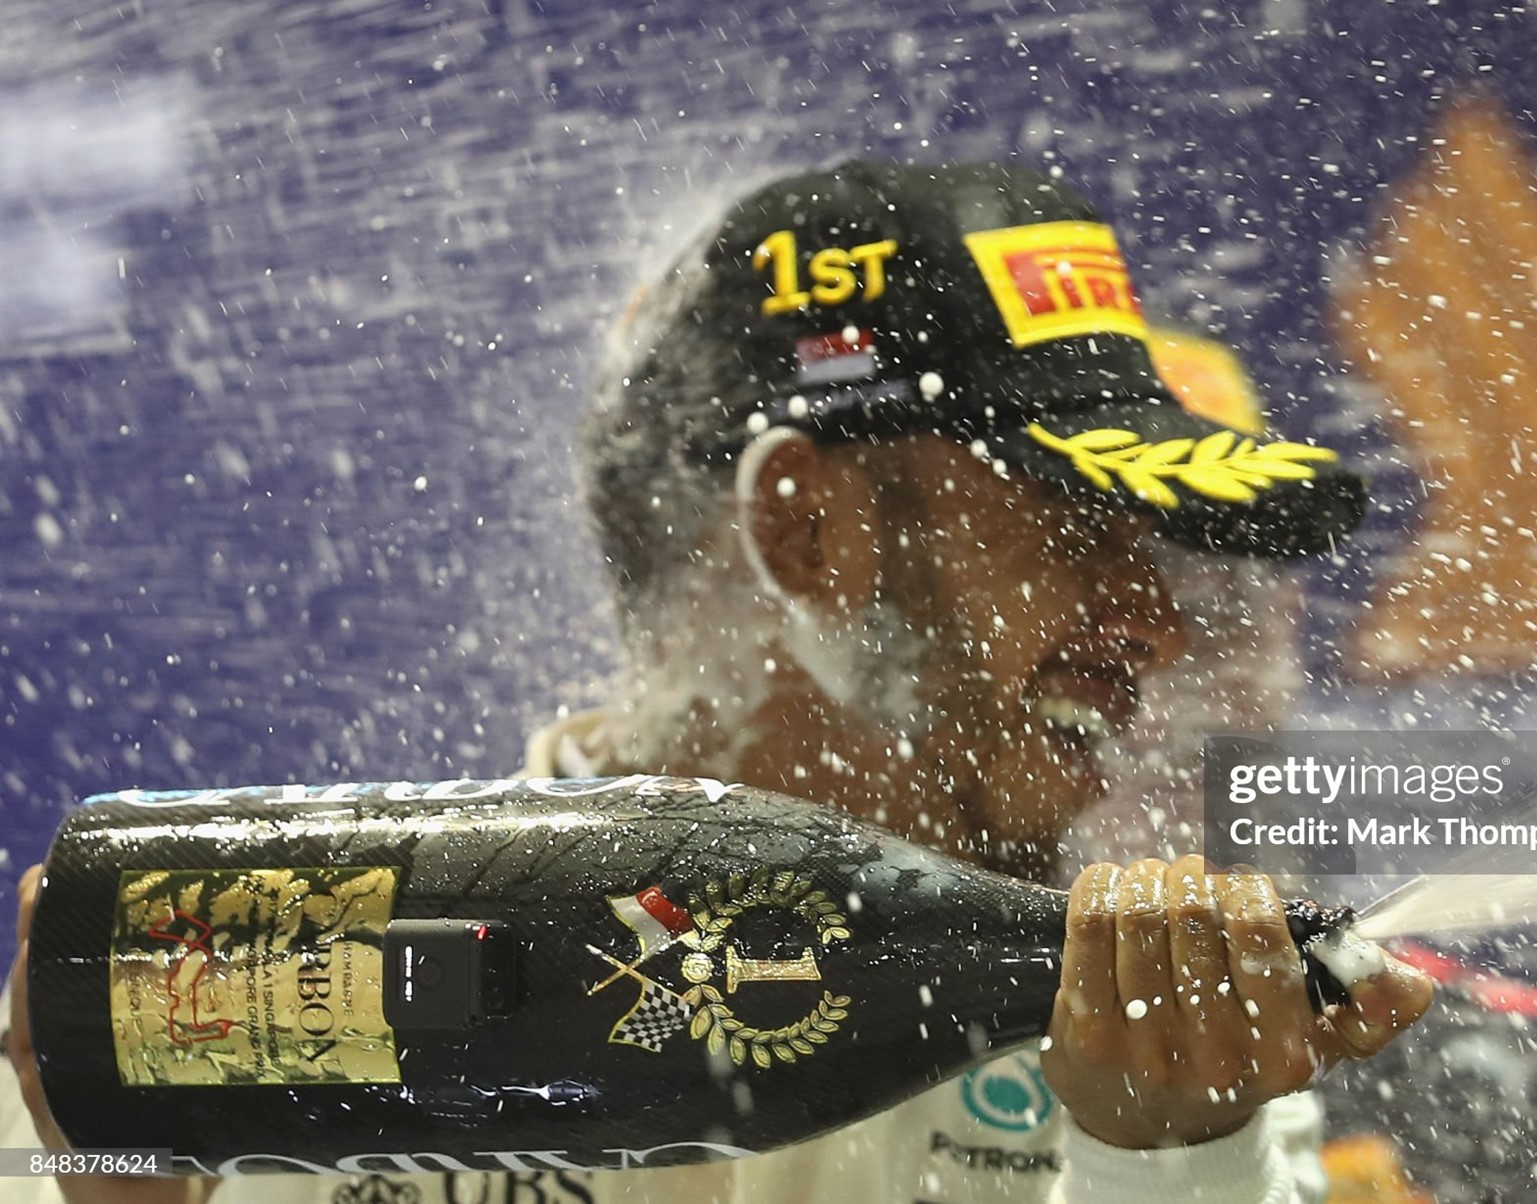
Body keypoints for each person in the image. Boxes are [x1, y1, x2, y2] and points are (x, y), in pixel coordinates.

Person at [4, 158, 1433, 1203]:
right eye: (1077, 528)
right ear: (806, 530)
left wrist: (1168, 1164)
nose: (1156, 627)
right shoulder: (236, 979)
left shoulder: (1159, 1019)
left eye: (1161, 551)